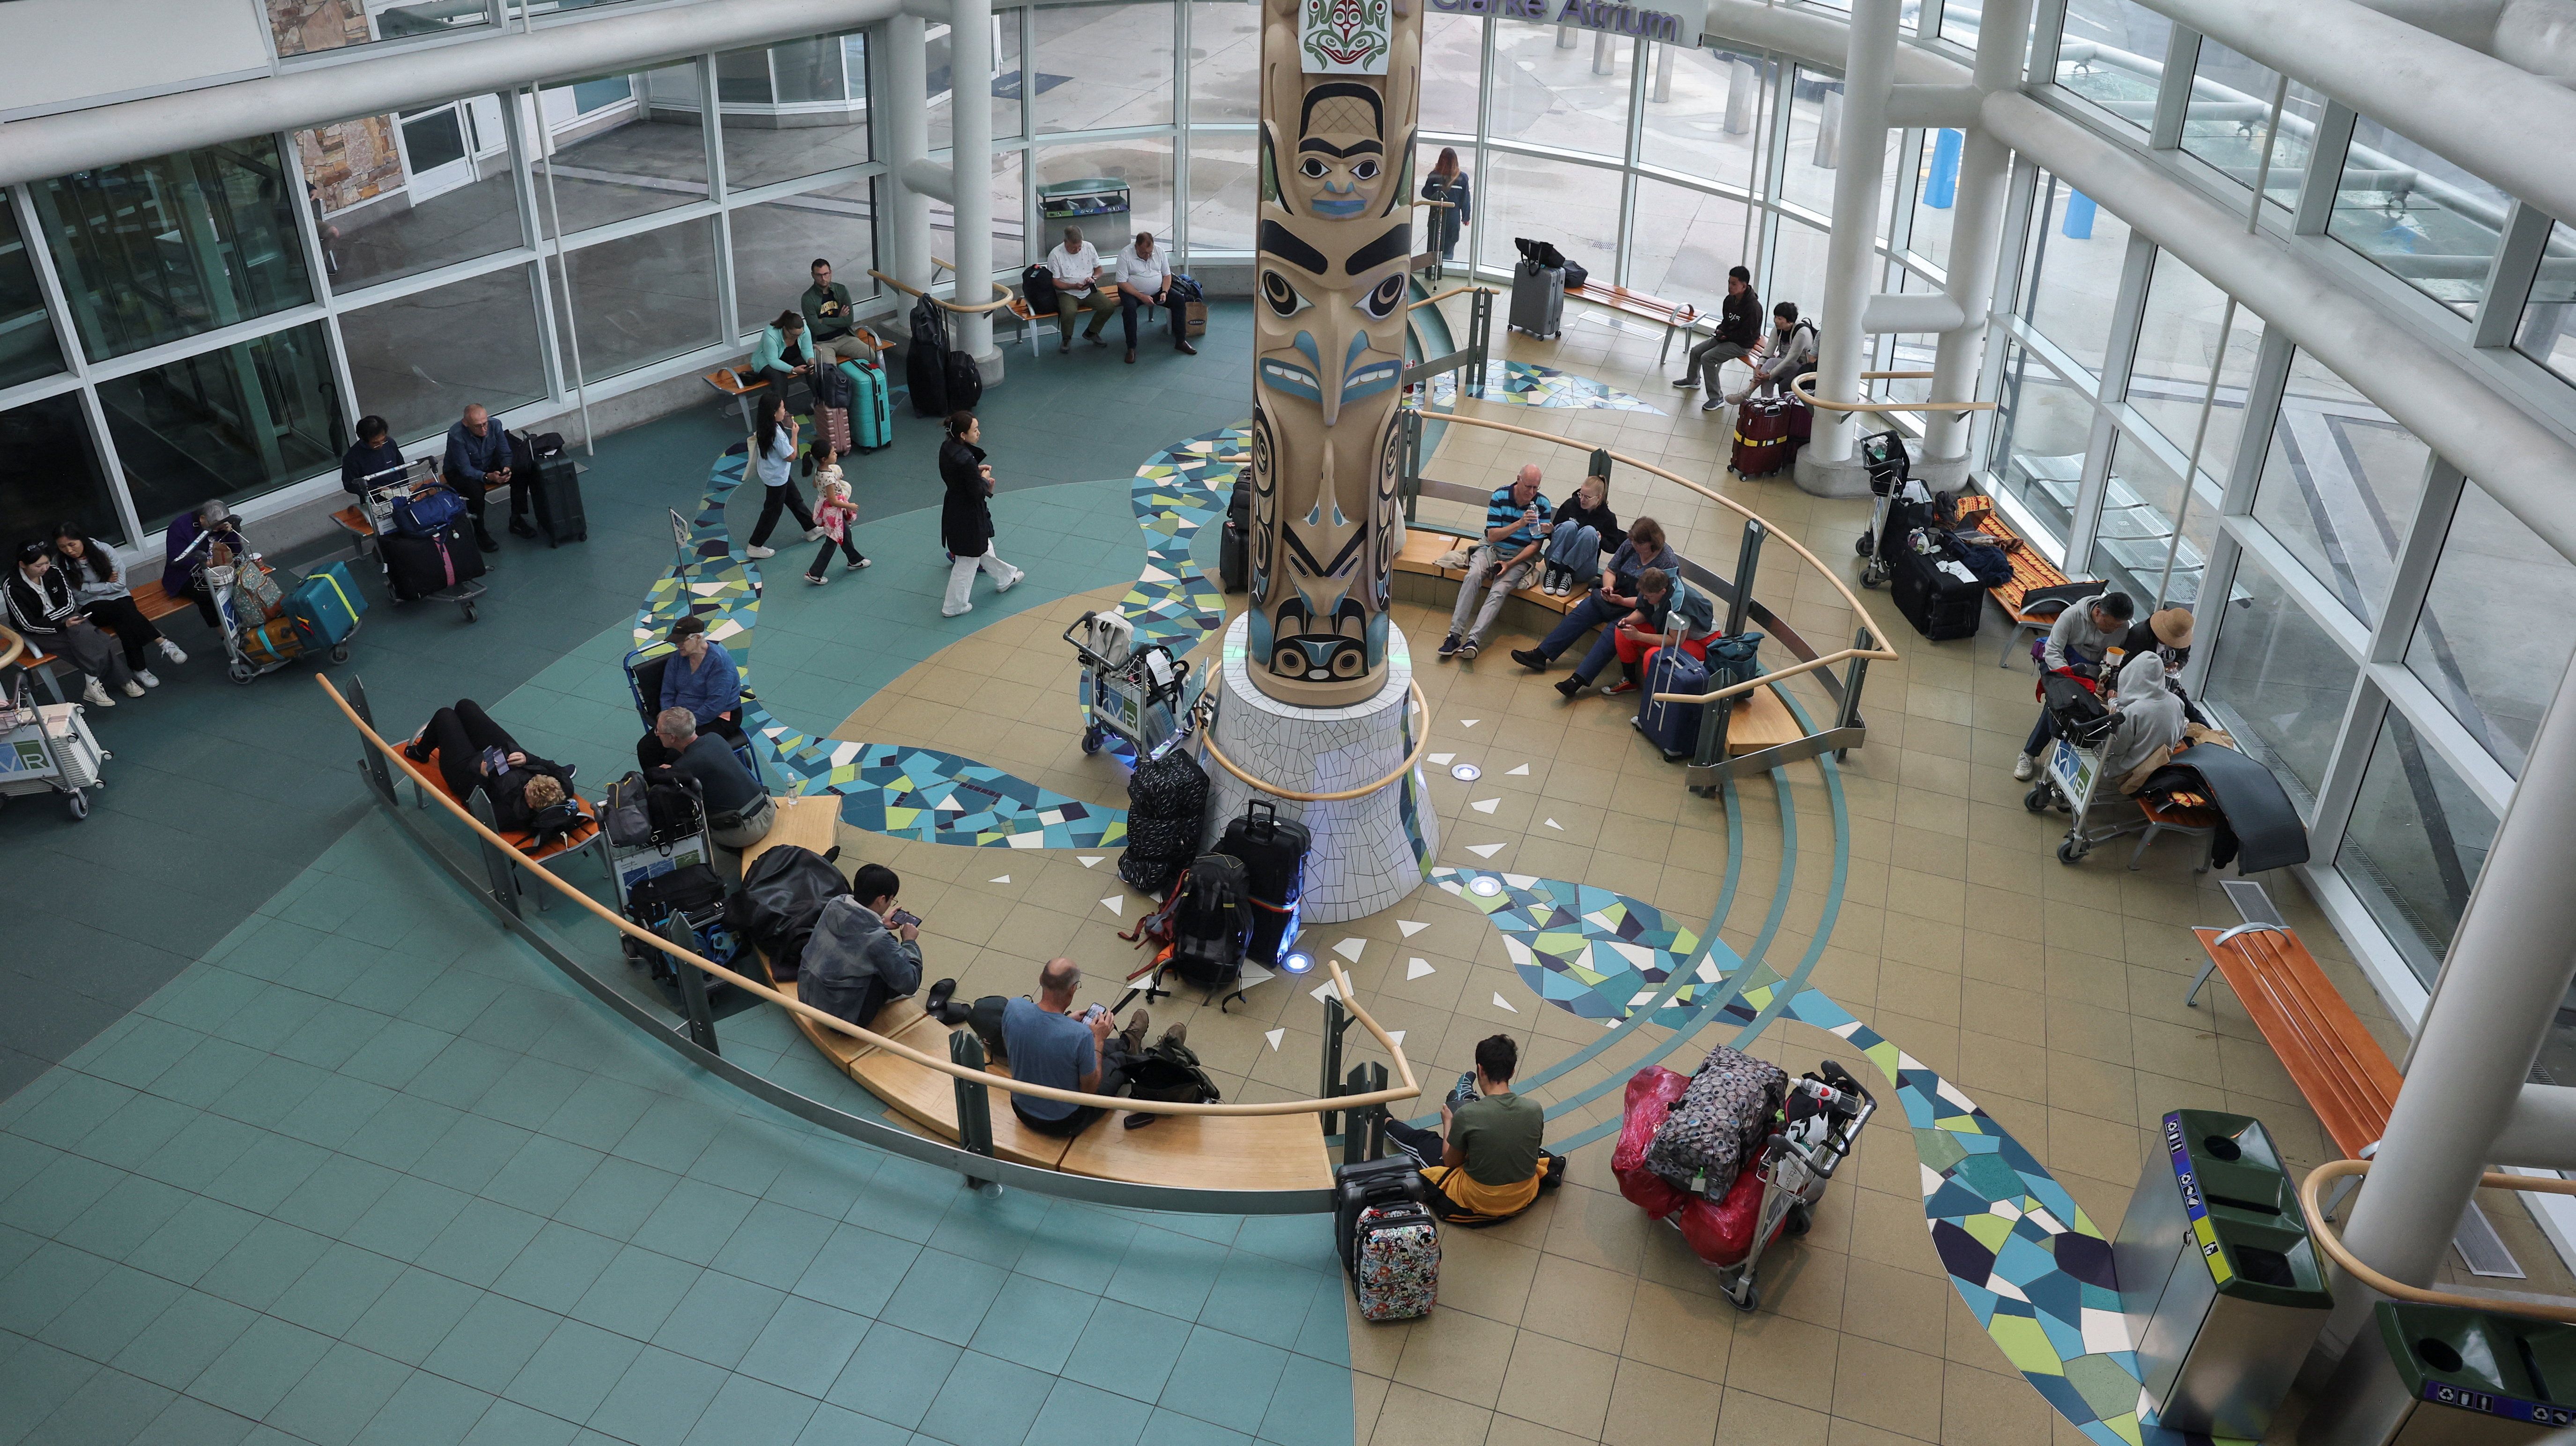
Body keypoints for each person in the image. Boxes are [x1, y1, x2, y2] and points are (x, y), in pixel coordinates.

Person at [1382, 1035, 1561, 1222]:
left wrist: (1448, 1123)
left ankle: (1386, 1122)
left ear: (1481, 1070)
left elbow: (1451, 1162)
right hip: (1524, 1193)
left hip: (1480, 1200)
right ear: (1512, 1072)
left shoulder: (1468, 1116)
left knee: (1424, 1142)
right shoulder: (1534, 1109)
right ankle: (1465, 1098)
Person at [1001, 958, 1184, 1139]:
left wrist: (1065, 1021)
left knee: (1092, 1049)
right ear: (1073, 989)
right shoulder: (1080, 1035)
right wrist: (1098, 1039)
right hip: (1064, 1122)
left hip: (1021, 1108)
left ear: (1041, 979)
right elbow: (1089, 1090)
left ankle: (1128, 1043)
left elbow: (1024, 1041)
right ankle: (1157, 1054)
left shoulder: (1014, 1008)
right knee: (1119, 1061)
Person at [1512, 517, 1680, 675]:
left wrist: (1622, 601)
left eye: (1639, 544)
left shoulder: (1667, 562)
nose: (1634, 546)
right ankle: (1541, 655)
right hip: (1618, 596)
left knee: (1615, 630)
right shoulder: (1630, 546)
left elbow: (1656, 600)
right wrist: (1609, 588)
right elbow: (1610, 571)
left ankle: (1580, 678)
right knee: (1584, 611)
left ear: (1652, 542)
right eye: (1633, 541)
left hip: (1643, 607)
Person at [2013, 590, 2137, 780]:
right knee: (2061, 704)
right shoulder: (2071, 616)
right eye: (2111, 625)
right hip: (2059, 663)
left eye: (2119, 626)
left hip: (2089, 671)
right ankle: (2029, 754)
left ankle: (2058, 752)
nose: (2115, 630)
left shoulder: (2122, 626)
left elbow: (2112, 655)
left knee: (2083, 710)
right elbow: (2053, 650)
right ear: (2098, 612)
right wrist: (2070, 679)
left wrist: (2108, 669)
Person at [405, 698, 580, 830]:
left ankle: (420, 753)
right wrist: (528, 759)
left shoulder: (511, 815)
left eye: (527, 788)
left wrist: (482, 778)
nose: (528, 783)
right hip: (504, 756)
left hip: (467, 774)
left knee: (445, 715)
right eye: (532, 780)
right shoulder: (562, 789)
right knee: (465, 706)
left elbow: (475, 808)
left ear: (531, 806)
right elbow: (556, 769)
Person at [1438, 465, 1552, 662]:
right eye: (1528, 487)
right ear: (1518, 480)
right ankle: (1454, 635)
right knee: (1473, 576)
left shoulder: (1542, 504)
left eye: (1536, 488)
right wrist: (1520, 524)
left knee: (1499, 590)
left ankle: (1473, 641)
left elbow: (1535, 546)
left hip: (1519, 556)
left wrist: (1511, 564)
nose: (1532, 493)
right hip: (1491, 548)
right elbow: (1492, 536)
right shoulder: (1500, 496)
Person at [6, 541, 138, 706]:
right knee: (93, 638)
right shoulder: (12, 587)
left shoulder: (54, 572)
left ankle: (92, 682)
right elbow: (28, 624)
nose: (45, 568)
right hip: (40, 631)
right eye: (39, 566)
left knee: (84, 635)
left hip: (66, 617)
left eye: (47, 562)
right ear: (23, 565)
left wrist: (62, 620)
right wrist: (60, 624)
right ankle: (123, 680)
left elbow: (69, 604)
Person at [50, 526, 185, 686]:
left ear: (82, 539)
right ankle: (162, 642)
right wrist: (104, 582)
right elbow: (77, 595)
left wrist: (85, 586)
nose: (69, 550)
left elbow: (120, 585)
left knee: (124, 620)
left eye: (72, 544)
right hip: (91, 605)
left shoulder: (104, 550)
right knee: (123, 612)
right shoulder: (59, 562)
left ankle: (140, 669)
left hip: (119, 597)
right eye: (62, 547)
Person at [1555, 566, 1716, 699]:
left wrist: (1639, 636)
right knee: (1622, 632)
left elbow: (1675, 640)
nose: (1644, 598)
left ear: (1662, 592)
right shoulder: (1655, 588)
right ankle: (1630, 681)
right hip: (1670, 630)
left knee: (1653, 657)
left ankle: (1652, 702)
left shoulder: (1678, 606)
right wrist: (1629, 621)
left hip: (1701, 643)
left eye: (1648, 596)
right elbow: (1645, 609)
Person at [800, 863, 923, 1028]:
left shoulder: (836, 903)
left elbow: (854, 935)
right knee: (892, 968)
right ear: (881, 899)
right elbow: (910, 983)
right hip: (843, 1019)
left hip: (806, 996)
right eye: (891, 900)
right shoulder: (879, 940)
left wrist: (881, 923)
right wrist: (909, 942)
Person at [639, 706, 775, 849]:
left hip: (746, 831)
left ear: (672, 738)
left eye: (658, 731)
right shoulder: (714, 738)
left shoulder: (684, 767)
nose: (656, 734)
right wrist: (676, 770)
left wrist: (674, 771)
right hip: (768, 809)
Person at [939, 411, 1023, 617]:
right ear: (963, 435)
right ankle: (954, 606)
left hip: (954, 508)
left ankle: (1006, 577)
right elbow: (977, 493)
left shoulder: (947, 448)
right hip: (968, 514)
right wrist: (984, 479)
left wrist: (974, 472)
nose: (979, 433)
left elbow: (959, 476)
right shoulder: (966, 460)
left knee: (981, 546)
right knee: (968, 559)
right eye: (975, 430)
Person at [743, 394, 821, 560]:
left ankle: (812, 529)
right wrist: (795, 434)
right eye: (783, 408)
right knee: (772, 512)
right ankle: (755, 545)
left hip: (774, 473)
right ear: (774, 412)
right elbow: (791, 456)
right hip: (776, 478)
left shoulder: (766, 426)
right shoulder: (776, 434)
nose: (785, 411)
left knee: (795, 500)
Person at [1676, 266, 1762, 414]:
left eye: (1734, 284)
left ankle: (1717, 398)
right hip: (1728, 337)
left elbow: (1747, 335)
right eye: (1729, 283)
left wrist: (1727, 336)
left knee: (1707, 358)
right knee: (1696, 351)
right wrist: (1720, 330)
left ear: (1744, 286)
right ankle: (1693, 380)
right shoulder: (1730, 300)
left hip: (1742, 344)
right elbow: (1726, 322)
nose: (1730, 287)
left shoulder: (1753, 308)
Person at [651, 615, 745, 745]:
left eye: (682, 641)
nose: (677, 645)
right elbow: (668, 692)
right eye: (676, 641)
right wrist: (667, 717)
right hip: (680, 717)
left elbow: (714, 706)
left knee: (678, 751)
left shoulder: (720, 664)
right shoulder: (678, 658)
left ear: (698, 638)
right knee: (647, 747)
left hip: (717, 718)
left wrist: (683, 726)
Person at [159, 499, 250, 630]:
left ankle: (248, 619)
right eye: (216, 527)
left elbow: (236, 551)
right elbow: (177, 560)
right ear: (202, 519)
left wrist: (230, 532)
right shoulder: (180, 527)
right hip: (188, 574)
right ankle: (225, 633)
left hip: (220, 568)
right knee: (209, 595)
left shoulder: (223, 526)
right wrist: (208, 563)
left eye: (221, 527)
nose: (218, 530)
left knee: (244, 580)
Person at [2100, 652, 2189, 786]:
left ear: (2131, 676)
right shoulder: (2177, 701)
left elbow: (2116, 748)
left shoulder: (2133, 712)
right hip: (2161, 765)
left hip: (2129, 770)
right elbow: (2181, 732)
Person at [443, 403, 518, 551]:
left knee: (520, 471)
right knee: (475, 491)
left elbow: (505, 453)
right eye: (478, 426)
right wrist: (488, 477)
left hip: (486, 463)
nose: (484, 430)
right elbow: (465, 469)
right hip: (458, 471)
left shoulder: (495, 425)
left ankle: (517, 519)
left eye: (485, 424)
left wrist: (507, 468)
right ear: (466, 423)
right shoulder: (456, 435)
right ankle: (480, 532)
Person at [1114, 230, 1192, 363]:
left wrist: (1165, 292)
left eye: (1150, 253)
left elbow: (1167, 275)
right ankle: (1131, 348)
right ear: (1136, 247)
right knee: (1129, 310)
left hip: (1158, 291)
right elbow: (1121, 282)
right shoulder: (1125, 255)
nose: (1148, 256)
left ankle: (1181, 341)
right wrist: (1141, 296)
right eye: (1144, 253)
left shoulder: (1159, 252)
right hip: (1132, 292)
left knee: (1179, 299)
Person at [1538, 471, 1618, 598]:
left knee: (1590, 531)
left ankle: (1568, 574)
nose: (1582, 499)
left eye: (1587, 497)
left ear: (1599, 498)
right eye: (1581, 494)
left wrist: (1600, 540)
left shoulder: (1608, 517)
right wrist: (1551, 531)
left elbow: (1614, 547)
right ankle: (1552, 571)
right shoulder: (1570, 505)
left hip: (1581, 569)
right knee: (1569, 526)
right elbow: (1556, 537)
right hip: (1555, 562)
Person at [1042, 225, 1118, 353]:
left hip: (1088, 289)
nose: (1077, 250)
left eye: (1079, 247)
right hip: (1067, 292)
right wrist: (1073, 286)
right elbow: (1055, 282)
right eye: (1073, 248)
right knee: (1069, 312)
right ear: (1065, 242)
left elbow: (1099, 269)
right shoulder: (1055, 255)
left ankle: (1092, 332)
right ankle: (1067, 337)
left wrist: (1093, 278)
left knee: (1108, 307)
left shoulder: (1089, 247)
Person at [803, 445, 869, 586]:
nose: (836, 454)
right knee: (832, 541)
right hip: (833, 513)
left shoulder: (819, 470)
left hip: (825, 508)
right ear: (824, 459)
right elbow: (833, 501)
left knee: (845, 534)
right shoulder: (829, 478)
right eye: (833, 453)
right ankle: (814, 573)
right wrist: (850, 506)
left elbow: (815, 484)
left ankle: (855, 560)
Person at [1729, 302, 1818, 405]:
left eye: (1780, 319)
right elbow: (1769, 349)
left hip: (1800, 369)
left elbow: (1790, 360)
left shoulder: (1802, 333)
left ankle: (1747, 392)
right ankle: (1768, 406)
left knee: (1771, 364)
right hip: (1783, 365)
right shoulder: (1778, 329)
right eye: (1776, 317)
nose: (1776, 321)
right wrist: (1759, 366)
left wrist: (1770, 375)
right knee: (1766, 379)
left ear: (1790, 321)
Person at [801, 259, 864, 370]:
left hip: (845, 337)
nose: (823, 278)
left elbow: (849, 321)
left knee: (870, 355)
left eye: (826, 274)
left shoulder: (841, 290)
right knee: (830, 371)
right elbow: (816, 329)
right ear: (813, 275)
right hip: (823, 343)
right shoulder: (808, 298)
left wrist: (824, 320)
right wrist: (839, 320)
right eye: (819, 275)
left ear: (831, 273)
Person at [752, 309, 817, 402]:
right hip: (767, 362)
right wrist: (793, 370)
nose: (797, 337)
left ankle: (819, 402)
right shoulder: (771, 334)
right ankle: (779, 408)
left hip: (790, 358)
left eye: (800, 335)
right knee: (780, 378)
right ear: (785, 329)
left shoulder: (803, 330)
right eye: (793, 335)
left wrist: (811, 361)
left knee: (814, 369)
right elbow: (773, 360)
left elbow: (807, 349)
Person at [1421, 148, 1471, 262]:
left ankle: (1432, 268)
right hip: (1452, 219)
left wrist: (1437, 197)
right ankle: (1446, 268)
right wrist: (1466, 217)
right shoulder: (1463, 178)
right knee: (1448, 251)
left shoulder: (1434, 176)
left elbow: (1425, 193)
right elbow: (1465, 199)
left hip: (1436, 218)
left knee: (1433, 248)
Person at [341, 415, 405, 498]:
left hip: (399, 491)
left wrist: (405, 485)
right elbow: (350, 484)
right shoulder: (352, 457)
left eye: (383, 440)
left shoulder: (390, 443)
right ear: (365, 440)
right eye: (375, 443)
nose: (381, 445)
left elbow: (401, 466)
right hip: (375, 499)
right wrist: (376, 489)